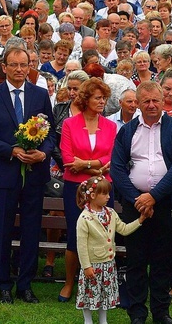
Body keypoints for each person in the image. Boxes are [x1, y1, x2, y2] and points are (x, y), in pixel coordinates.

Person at [0, 46, 55, 304]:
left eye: (25, 64)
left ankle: (25, 284)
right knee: (3, 232)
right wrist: (12, 150)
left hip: (34, 174)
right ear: (5, 67)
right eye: (14, 65)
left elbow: (51, 133)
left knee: (31, 231)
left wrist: (42, 153)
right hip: (4, 175)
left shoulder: (41, 95)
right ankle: (4, 285)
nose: (20, 69)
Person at [110, 81, 172, 324]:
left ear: (162, 99)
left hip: (166, 205)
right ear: (138, 103)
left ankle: (161, 312)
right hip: (135, 206)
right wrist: (138, 199)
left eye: (155, 100)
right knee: (135, 261)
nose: (152, 105)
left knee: (162, 261)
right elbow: (116, 168)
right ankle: (136, 312)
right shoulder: (127, 131)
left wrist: (154, 196)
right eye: (146, 101)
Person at [58, 78, 116, 303]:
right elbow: (67, 159)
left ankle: (100, 285)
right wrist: (94, 166)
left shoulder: (110, 126)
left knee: (101, 237)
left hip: (103, 187)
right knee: (75, 235)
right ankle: (69, 283)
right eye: (98, 98)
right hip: (76, 187)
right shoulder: (70, 124)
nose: (102, 102)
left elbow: (110, 158)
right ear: (86, 99)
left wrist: (86, 165)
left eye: (104, 98)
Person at [76, 177, 146, 324]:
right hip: (93, 265)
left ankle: (103, 320)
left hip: (107, 263)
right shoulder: (85, 218)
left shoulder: (111, 213)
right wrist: (86, 266)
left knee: (104, 295)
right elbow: (81, 245)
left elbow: (124, 229)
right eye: (105, 194)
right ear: (93, 195)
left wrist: (140, 221)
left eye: (109, 193)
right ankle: (87, 320)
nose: (108, 197)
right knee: (88, 293)